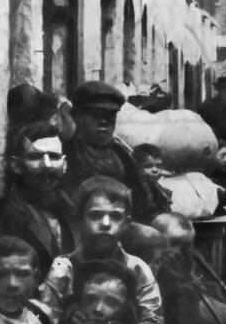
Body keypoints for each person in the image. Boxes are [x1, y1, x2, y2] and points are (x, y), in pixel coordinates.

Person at [41, 176, 165, 324]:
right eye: (95, 215)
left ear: (126, 222)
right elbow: (46, 322)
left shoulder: (137, 268)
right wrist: (68, 320)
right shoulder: (63, 269)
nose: (106, 224)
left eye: (115, 216)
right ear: (79, 219)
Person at [0, 121, 76, 301]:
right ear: (16, 165)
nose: (47, 165)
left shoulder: (75, 215)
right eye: (35, 157)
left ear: (64, 164)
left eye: (53, 157)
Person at [61, 80, 171, 225]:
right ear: (77, 116)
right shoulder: (66, 152)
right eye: (95, 115)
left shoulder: (121, 153)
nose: (104, 122)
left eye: (110, 115)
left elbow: (143, 200)